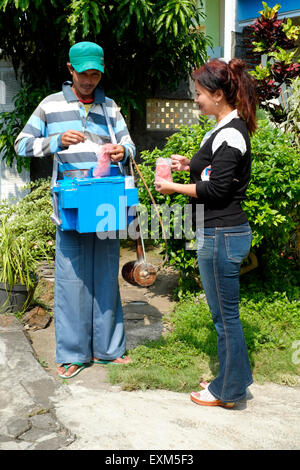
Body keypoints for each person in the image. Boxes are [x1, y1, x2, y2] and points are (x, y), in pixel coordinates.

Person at [14, 41, 136, 378]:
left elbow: (130, 145)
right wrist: (55, 142)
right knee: (71, 280)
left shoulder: (109, 106)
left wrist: (121, 152)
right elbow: (21, 144)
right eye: (84, 74)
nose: (90, 81)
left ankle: (110, 350)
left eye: (95, 74)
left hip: (106, 203)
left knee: (106, 275)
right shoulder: (50, 106)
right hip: (70, 205)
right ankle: (72, 353)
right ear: (70, 70)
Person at [155, 58, 257, 408]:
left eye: (198, 93)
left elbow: (216, 191)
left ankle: (227, 392)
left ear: (217, 95)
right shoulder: (222, 128)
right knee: (225, 316)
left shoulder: (230, 134)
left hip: (221, 235)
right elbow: (212, 173)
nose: (195, 99)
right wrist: (190, 165)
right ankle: (236, 377)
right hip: (220, 232)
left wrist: (173, 187)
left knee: (224, 318)